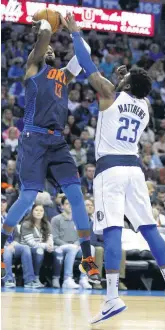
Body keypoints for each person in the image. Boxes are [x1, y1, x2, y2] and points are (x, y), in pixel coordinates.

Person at [65, 13, 165, 324]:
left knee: (113, 230)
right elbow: (129, 93)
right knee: (149, 228)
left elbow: (89, 69)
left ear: (125, 83)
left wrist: (76, 34)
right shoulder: (143, 107)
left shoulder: (109, 96)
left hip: (110, 170)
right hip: (135, 169)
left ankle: (113, 297)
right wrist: (126, 79)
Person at [1, 17, 100, 284]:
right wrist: (46, 22)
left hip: (57, 142)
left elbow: (86, 54)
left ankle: (87, 257)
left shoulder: (63, 75)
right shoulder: (33, 67)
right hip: (34, 138)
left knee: (77, 196)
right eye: (46, 48)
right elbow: (44, 34)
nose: (50, 50)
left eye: (53, 50)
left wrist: (74, 33)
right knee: (28, 196)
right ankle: (1, 244)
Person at [51, 196, 94, 289]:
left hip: (75, 246)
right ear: (62, 206)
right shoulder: (56, 219)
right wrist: (70, 245)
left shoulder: (79, 219)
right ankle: (67, 279)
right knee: (72, 248)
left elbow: (83, 236)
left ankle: (84, 278)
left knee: (91, 248)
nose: (70, 205)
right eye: (67, 203)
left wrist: (78, 244)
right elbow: (55, 238)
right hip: (59, 247)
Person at [20, 204, 62, 288]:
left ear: (44, 213)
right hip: (28, 248)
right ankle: (36, 277)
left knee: (59, 251)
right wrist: (46, 246)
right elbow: (31, 243)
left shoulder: (46, 224)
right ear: (32, 212)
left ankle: (56, 278)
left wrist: (50, 245)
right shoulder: (26, 224)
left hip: (44, 246)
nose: (39, 212)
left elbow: (50, 238)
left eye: (41, 210)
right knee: (39, 251)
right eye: (36, 210)